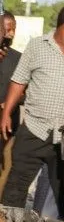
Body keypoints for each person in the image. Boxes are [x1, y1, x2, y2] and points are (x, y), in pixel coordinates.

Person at [0, 4, 64, 215]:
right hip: (34, 130)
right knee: (16, 187)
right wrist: (6, 115)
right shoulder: (37, 46)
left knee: (63, 193)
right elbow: (18, 82)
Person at [0, 11, 24, 196]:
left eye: (13, 29)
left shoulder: (19, 59)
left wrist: (9, 103)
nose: (10, 34)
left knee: (7, 166)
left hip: (9, 125)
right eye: (6, 29)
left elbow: (26, 91)